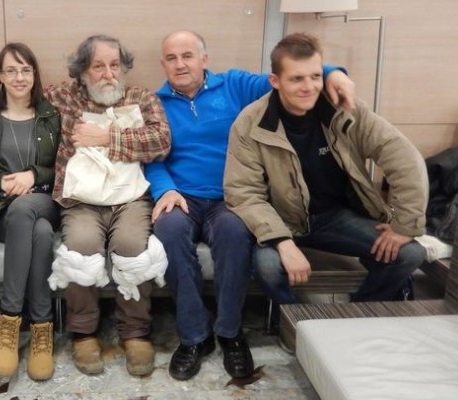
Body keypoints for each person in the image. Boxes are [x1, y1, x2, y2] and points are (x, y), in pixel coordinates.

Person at [144, 30, 357, 381]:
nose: (180, 64)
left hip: (232, 195)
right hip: (182, 196)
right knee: (168, 229)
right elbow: (151, 158)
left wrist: (333, 73)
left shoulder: (235, 86)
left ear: (204, 60)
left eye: (188, 56)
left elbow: (289, 75)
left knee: (233, 233)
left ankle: (230, 332)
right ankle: (194, 337)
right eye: (171, 58)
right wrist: (165, 189)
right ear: (163, 64)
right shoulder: (153, 104)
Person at [225, 33, 427, 331]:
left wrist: (404, 225)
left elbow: (404, 159)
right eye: (296, 79)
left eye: (316, 76)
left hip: (336, 217)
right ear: (275, 81)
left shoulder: (345, 110)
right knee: (267, 266)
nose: (308, 87)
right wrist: (282, 242)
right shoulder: (249, 124)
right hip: (282, 222)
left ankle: (352, 318)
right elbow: (244, 193)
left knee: (410, 253)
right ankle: (295, 325)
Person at [45, 34, 171, 377]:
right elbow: (17, 96)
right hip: (81, 201)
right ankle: (83, 332)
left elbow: (161, 141)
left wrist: (107, 137)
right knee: (81, 245)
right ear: (82, 71)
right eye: (98, 66)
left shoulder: (141, 98)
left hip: (130, 199)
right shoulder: (64, 97)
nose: (108, 74)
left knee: (132, 245)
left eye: (115, 65)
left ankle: (135, 332)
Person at [0, 43, 61, 381]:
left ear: (35, 74)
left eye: (25, 70)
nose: (19, 77)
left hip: (43, 200)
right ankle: (41, 328)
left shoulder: (51, 115)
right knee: (39, 233)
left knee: (28, 210)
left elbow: (64, 167)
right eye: (11, 70)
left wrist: (34, 176)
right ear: (0, 75)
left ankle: (8, 320)